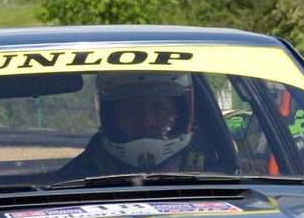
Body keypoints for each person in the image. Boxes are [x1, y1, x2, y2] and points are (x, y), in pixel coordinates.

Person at [53, 71, 206, 181]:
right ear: (110, 117)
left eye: (160, 109)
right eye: (132, 111)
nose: (147, 122)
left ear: (181, 114)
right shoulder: (74, 179)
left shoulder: (213, 171)